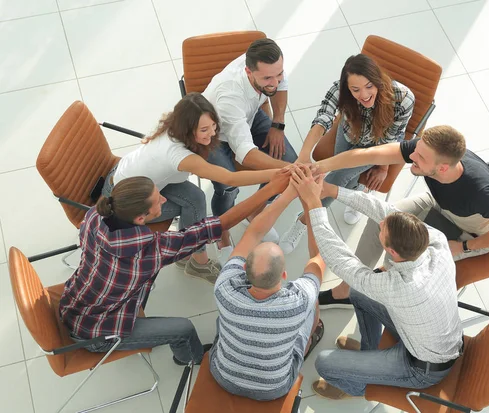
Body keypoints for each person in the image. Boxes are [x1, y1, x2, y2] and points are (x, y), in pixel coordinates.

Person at [60, 173, 289, 366]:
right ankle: (190, 359)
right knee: (184, 329)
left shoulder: (94, 215)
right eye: (158, 200)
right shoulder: (151, 249)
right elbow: (219, 225)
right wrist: (270, 189)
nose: (163, 198)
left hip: (73, 301)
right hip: (97, 334)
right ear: (140, 218)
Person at [289, 165, 462, 400]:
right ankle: (367, 354)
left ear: (390, 251)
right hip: (422, 332)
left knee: (325, 363)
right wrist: (329, 189)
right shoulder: (436, 241)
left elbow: (340, 260)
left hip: (422, 367)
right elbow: (385, 211)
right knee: (359, 293)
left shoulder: (399, 287)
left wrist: (313, 205)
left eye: (382, 230)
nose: (380, 223)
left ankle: (358, 388)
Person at [314, 125, 489, 309]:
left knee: (398, 254)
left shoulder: (482, 193)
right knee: (380, 221)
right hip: (439, 204)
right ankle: (347, 291)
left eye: (420, 157)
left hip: (468, 233)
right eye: (416, 151)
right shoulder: (428, 152)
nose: (412, 156)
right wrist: (320, 167)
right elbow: (372, 154)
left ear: (442, 168)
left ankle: (375, 301)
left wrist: (464, 247)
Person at [102, 93, 280, 279]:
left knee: (195, 197)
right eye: (204, 129)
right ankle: (198, 262)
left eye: (213, 125)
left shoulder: (175, 124)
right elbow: (230, 179)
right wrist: (279, 174)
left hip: (133, 178)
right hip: (127, 199)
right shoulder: (178, 155)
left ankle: (189, 254)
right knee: (194, 204)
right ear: (187, 130)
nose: (212, 133)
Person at [279, 53, 414, 254]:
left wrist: (382, 167)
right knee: (346, 179)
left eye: (369, 86)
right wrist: (304, 154)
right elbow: (323, 117)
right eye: (355, 90)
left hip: (375, 147)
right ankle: (358, 190)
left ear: (377, 80)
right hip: (350, 133)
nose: (364, 95)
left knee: (339, 176)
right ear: (347, 87)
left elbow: (390, 141)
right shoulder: (339, 89)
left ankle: (304, 220)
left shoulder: (403, 99)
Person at [210, 172, 325, 401]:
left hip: (222, 376)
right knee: (313, 305)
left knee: (222, 319)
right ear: (284, 275)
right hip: (273, 390)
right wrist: (313, 201)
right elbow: (318, 257)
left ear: (243, 269)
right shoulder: (299, 301)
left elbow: (254, 232)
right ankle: (311, 338)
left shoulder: (224, 289)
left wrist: (288, 193)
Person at [203, 38, 298, 242]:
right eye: (267, 79)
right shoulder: (229, 96)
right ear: (248, 72)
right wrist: (290, 171)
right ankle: (222, 231)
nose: (275, 82)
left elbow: (281, 84)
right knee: (227, 188)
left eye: (279, 74)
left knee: (288, 160)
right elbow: (245, 154)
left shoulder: (270, 68)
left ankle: (254, 214)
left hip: (250, 116)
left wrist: (278, 124)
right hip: (214, 135)